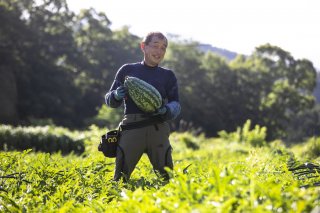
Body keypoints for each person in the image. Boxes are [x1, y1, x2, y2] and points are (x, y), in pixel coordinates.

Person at [105, 32, 181, 182]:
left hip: (158, 127)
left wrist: (167, 110)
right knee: (120, 178)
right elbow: (109, 100)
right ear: (143, 47)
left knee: (166, 178)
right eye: (155, 46)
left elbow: (176, 103)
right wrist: (115, 95)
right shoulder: (127, 70)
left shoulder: (168, 75)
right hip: (132, 127)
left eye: (163, 48)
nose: (159, 51)